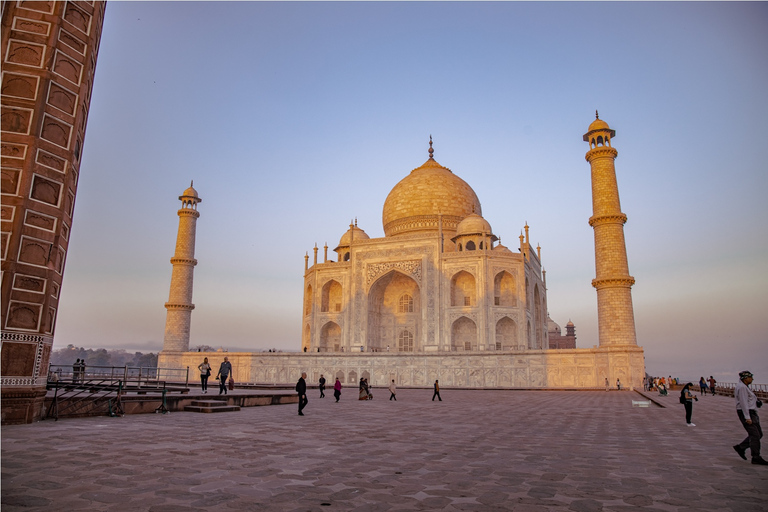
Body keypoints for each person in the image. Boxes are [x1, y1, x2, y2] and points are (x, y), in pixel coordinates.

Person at [733, 371, 767, 465]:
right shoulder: (742, 387)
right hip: (747, 413)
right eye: (751, 377)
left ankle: (741, 447)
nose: (752, 379)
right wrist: (747, 417)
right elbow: (743, 402)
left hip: (751, 412)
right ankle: (756, 457)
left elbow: (749, 399)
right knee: (755, 435)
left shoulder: (744, 387)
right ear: (745, 378)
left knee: (759, 434)